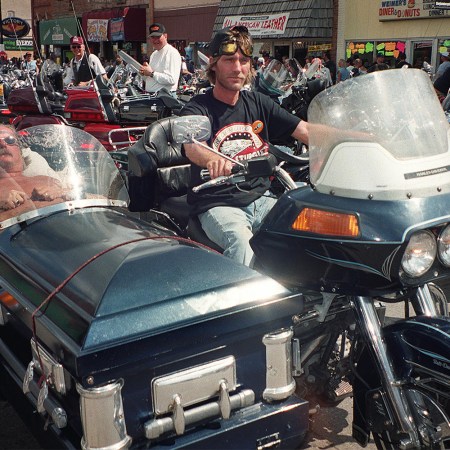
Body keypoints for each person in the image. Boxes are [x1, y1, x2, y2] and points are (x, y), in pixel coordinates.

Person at [180, 25, 311, 266]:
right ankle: (241, 304)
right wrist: (213, 160)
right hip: (219, 202)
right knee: (242, 244)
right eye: (229, 60)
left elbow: (304, 130)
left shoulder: (258, 102)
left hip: (262, 197)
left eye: (243, 60)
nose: (238, 68)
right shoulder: (198, 108)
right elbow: (192, 145)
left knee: (316, 221)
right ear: (213, 64)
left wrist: (353, 140)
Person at [0, 125, 64, 213]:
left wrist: (65, 193)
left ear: (20, 152)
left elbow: (86, 199)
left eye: (10, 140)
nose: (2, 144)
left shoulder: (47, 180)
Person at [139, 23, 182, 95]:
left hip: (166, 98)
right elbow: (154, 77)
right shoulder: (154, 54)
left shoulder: (171, 52)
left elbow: (171, 79)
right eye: (153, 37)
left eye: (158, 37)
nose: (155, 40)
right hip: (154, 97)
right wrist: (145, 72)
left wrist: (151, 73)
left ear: (165, 36)